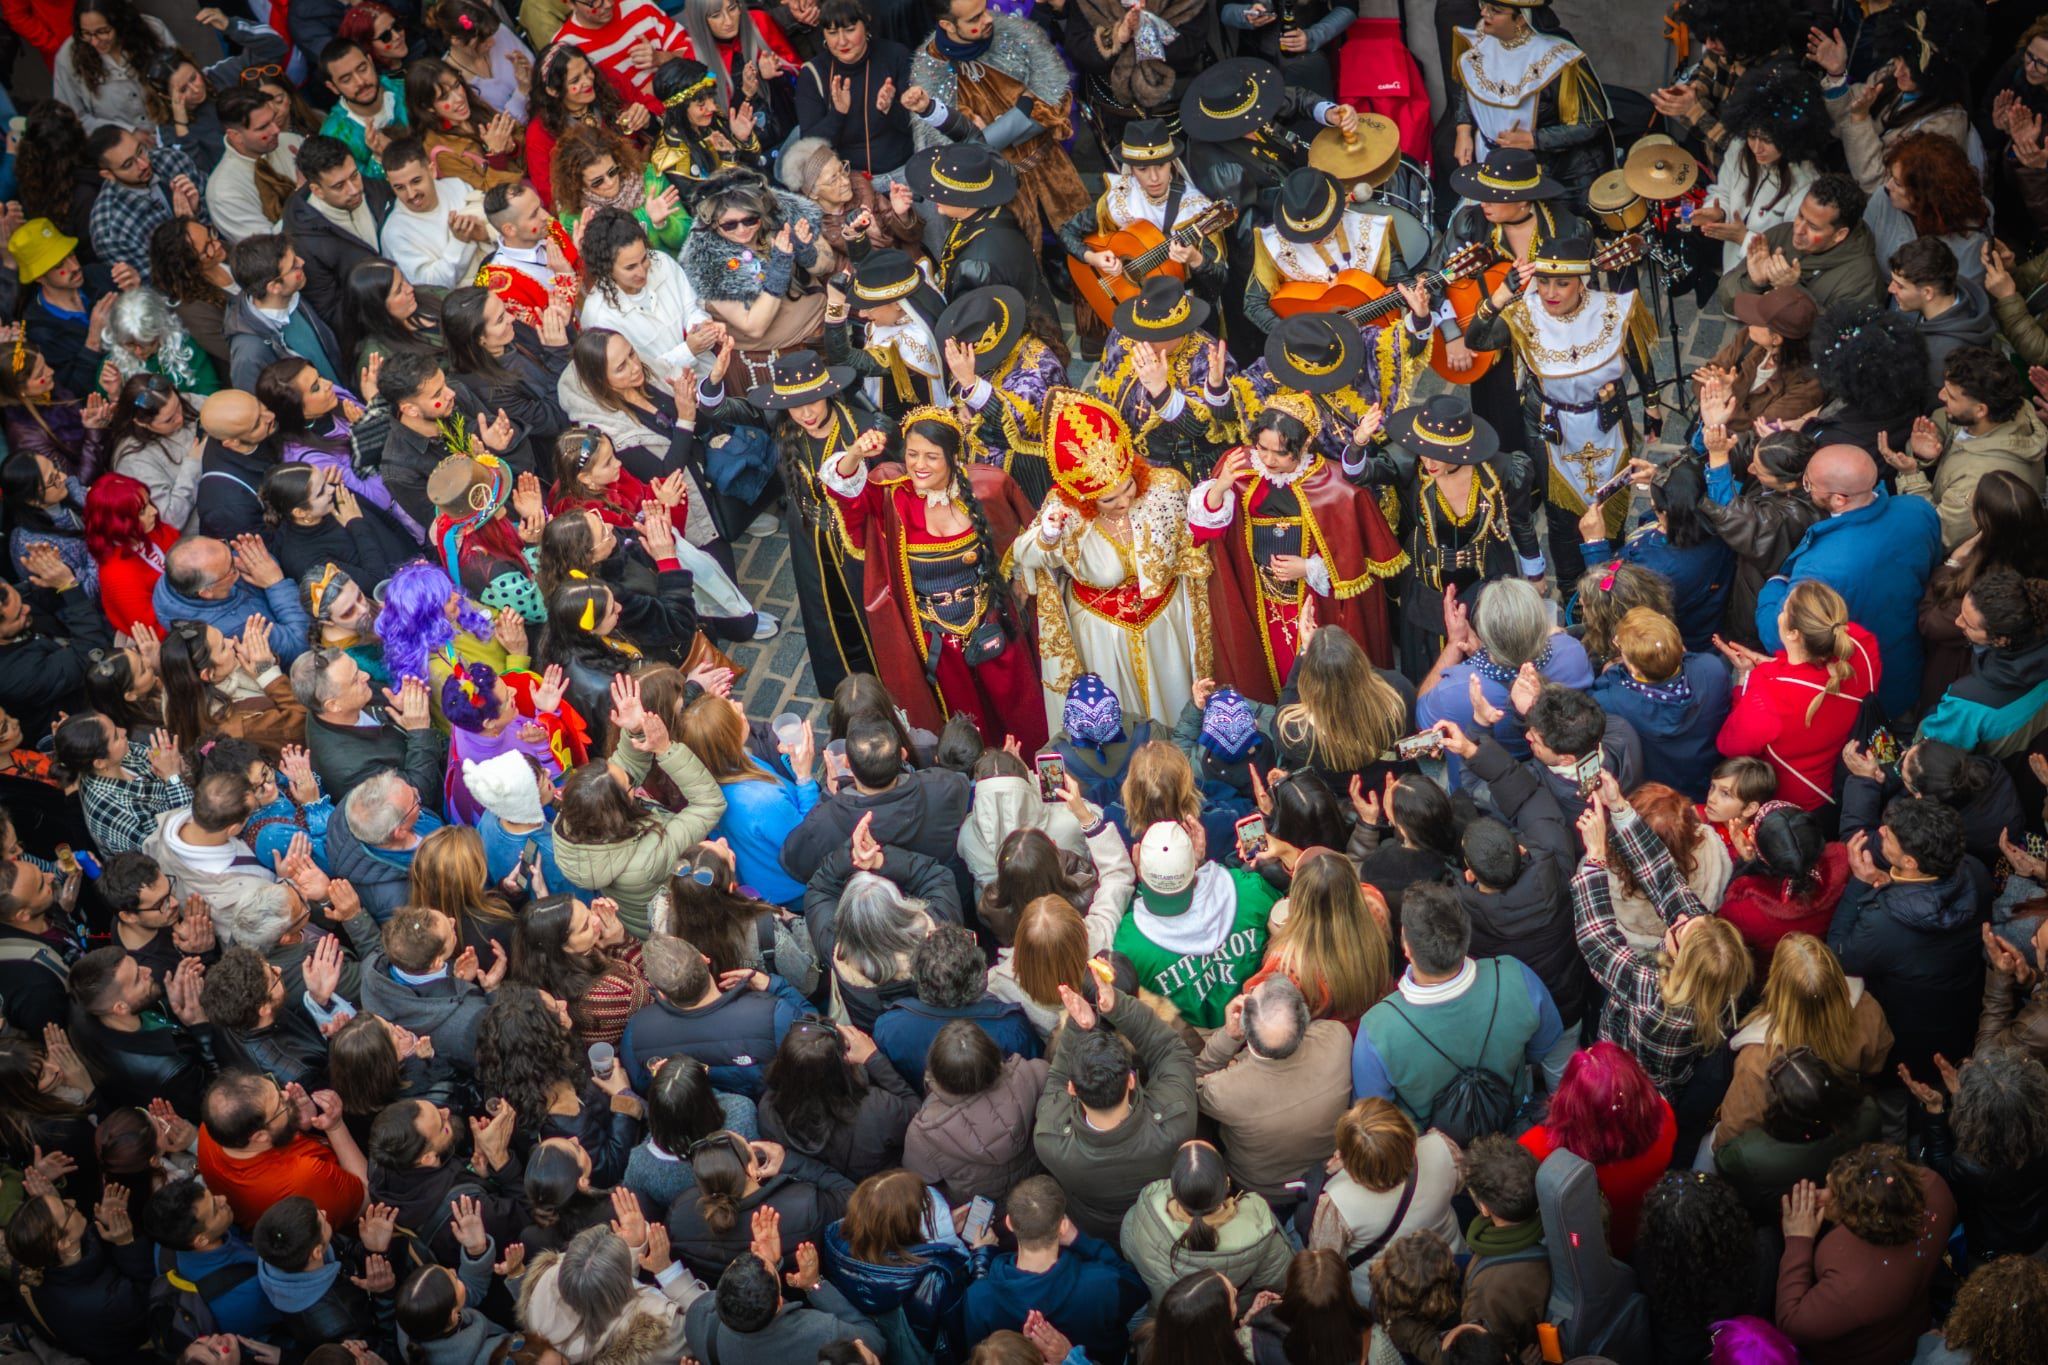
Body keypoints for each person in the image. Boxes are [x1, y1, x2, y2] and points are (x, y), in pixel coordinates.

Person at [819, 404, 1040, 751]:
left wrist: (1020, 578)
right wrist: (856, 453)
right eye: (912, 454)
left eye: (931, 457)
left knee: (1018, 710)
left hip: (992, 622)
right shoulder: (893, 494)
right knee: (963, 721)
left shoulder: (987, 488)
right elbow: (845, 493)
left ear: (953, 457)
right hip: (936, 640)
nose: (919, 465)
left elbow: (1026, 539)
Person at [1463, 235, 1656, 588]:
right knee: (1561, 516)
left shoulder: (1613, 309)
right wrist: (1500, 297)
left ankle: (1612, 576)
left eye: (1562, 283)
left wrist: (1653, 403)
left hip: (1607, 425)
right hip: (1550, 431)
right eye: (1544, 281)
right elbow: (1476, 340)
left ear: (1581, 283)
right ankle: (1570, 587)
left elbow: (1637, 355)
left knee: (1611, 503)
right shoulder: (1524, 315)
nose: (1551, 292)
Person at [1012, 387, 1209, 730]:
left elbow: (1197, 542)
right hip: (1103, 639)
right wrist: (1048, 535)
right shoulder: (1064, 513)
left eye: (1128, 487)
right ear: (1084, 500)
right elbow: (1024, 553)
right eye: (1108, 500)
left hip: (1166, 626)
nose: (1123, 502)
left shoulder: (1165, 489)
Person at [1191, 393, 1406, 701]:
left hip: (1314, 603)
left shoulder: (1331, 484)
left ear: (1304, 445)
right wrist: (1222, 484)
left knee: (1314, 680)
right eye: (1261, 448)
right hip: (1258, 599)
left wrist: (1308, 567)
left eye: (1279, 453)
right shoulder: (1238, 466)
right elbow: (1203, 529)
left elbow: (1354, 560)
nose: (1267, 459)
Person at [1573, 775, 1753, 1099]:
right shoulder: (1716, 966)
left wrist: (1597, 857)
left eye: (1680, 929)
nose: (1681, 918)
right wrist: (1619, 806)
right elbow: (1665, 878)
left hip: (1634, 1084)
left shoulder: (1654, 995)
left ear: (1679, 961)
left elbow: (1597, 939)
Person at [1351, 882, 1566, 1133]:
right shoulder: (1516, 975)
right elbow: (1545, 1048)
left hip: (1430, 1154)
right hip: (1513, 1125)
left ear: (1406, 948)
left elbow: (1375, 1126)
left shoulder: (1376, 1029)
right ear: (1465, 936)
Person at [1754, 444, 1941, 720]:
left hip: (1853, 685)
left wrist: (1775, 585)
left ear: (1840, 499)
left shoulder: (1820, 568)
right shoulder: (1918, 510)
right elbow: (1932, 567)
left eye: (1810, 484)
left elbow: (1780, 638)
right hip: (1906, 664)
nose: (1807, 488)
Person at [909, 0, 1088, 262]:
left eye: (984, 10)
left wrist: (997, 132)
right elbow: (968, 147)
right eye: (974, 19)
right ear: (947, 25)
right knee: (1024, 263)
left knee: (1086, 244)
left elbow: (1056, 101)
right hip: (1000, 187)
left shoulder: (1017, 35)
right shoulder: (932, 71)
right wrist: (1024, 107)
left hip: (1052, 169)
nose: (988, 19)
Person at [1032, 974, 1197, 1243]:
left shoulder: (1050, 1140)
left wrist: (1078, 1025)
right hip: (1161, 1221)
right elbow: (1170, 1050)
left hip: (1097, 1229)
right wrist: (1118, 1006)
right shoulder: (1175, 1121)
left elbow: (1055, 1082)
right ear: (1132, 1080)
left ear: (1073, 1089)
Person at [1832, 793, 1986, 1081]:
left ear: (1910, 861)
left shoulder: (1886, 922)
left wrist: (1859, 883)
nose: (1880, 832)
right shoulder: (1974, 871)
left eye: (1888, 836)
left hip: (1909, 1031)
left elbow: (1840, 955)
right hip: (1961, 1010)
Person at [1774, 1142, 1957, 1364]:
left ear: (1861, 1217)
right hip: (1912, 1327)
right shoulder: (1933, 1186)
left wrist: (1798, 1241)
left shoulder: (1853, 1282)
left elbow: (1791, 1323)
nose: (1823, 1194)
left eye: (1836, 1195)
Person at [1193, 973, 1352, 1203]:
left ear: (1245, 1028)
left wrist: (1229, 1037)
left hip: (1260, 1194)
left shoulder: (1222, 1090)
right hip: (1327, 1178)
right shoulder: (1337, 1038)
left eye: (1252, 992)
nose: (1252, 987)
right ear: (1304, 1016)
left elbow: (1188, 1082)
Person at [1450, 0, 1611, 204]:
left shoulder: (1559, 58)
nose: (1483, 13)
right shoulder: (1481, 39)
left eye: (1495, 11)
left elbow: (1591, 123)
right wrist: (1463, 130)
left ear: (1521, 19)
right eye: (1484, 4)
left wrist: (1534, 139)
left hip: (1557, 176)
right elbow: (1473, 86)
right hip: (1492, 162)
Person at [619, 932, 809, 1097]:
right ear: (704, 959)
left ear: (660, 992)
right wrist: (774, 985)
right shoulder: (773, 1013)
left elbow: (644, 1087)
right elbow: (818, 1036)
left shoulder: (636, 1032)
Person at [682, 1210, 886, 1362]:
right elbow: (876, 1342)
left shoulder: (697, 1319)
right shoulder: (822, 1333)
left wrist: (773, 1263)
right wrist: (814, 1284)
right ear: (779, 1303)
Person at [1120, 1137, 1293, 1307]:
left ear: (1174, 1187)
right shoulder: (1262, 1232)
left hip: (1171, 1314)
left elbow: (1133, 1266)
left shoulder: (1139, 1220)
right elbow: (1283, 1283)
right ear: (1226, 1182)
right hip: (1232, 1314)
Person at [1693, 62, 1830, 271]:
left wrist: (1743, 238)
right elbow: (1722, 190)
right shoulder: (1739, 148)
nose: (1757, 148)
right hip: (1731, 274)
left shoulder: (1806, 181)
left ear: (1789, 136)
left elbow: (1795, 250)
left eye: (1767, 139)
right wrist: (1716, 211)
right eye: (1751, 136)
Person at [1586, 607, 1732, 801]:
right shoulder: (1712, 669)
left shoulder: (1610, 701)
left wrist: (1612, 672)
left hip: (1655, 796)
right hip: (1703, 782)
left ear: (1635, 668)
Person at [679, 174, 833, 355]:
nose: (742, 230)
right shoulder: (708, 264)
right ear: (714, 224)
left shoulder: (781, 219)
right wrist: (779, 269)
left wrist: (805, 252)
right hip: (786, 357)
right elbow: (754, 326)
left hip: (827, 327)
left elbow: (828, 265)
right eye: (730, 225)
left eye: (749, 220)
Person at [197, 1069, 368, 1232]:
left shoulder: (212, 1130)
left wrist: (298, 1124)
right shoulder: (303, 1177)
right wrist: (335, 1127)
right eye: (280, 1105)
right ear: (260, 1136)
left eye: (273, 1084)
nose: (287, 1095)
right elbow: (368, 1196)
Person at [1715, 172, 1882, 314]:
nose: (1798, 229)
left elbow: (1835, 341)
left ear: (1840, 235)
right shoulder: (1782, 233)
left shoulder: (1862, 279)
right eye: (1800, 215)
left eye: (1813, 227)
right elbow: (1728, 302)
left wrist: (1794, 292)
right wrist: (1752, 282)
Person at [1716, 811, 1853, 977]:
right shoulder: (1844, 864)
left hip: (1775, 981)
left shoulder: (1743, 909)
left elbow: (1726, 946)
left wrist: (1744, 863)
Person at [525, 42, 653, 213]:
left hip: (649, 180)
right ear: (553, 91)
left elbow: (655, 108)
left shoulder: (610, 80)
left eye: (587, 70)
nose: (587, 81)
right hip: (598, 213)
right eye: (575, 80)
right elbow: (553, 197)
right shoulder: (540, 134)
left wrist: (647, 119)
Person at [404, 57, 525, 195]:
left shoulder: (475, 108)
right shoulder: (441, 153)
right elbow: (486, 197)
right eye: (444, 97)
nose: (459, 98)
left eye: (456, 86)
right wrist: (497, 156)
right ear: (428, 107)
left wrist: (512, 148)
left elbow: (521, 137)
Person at [204, 85, 307, 246]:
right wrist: (303, 194)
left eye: (273, 119)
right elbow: (269, 247)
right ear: (235, 136)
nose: (276, 129)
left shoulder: (290, 142)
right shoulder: (224, 192)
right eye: (263, 127)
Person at [553, 0, 696, 115]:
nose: (608, 4)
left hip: (694, 99)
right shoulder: (566, 48)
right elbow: (589, 110)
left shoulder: (639, 5)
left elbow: (698, 51)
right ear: (570, 4)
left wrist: (663, 58)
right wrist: (641, 98)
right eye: (594, 2)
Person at [315, 37, 408, 180]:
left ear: (370, 62)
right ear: (333, 87)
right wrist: (378, 158)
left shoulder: (406, 89)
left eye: (362, 69)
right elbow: (361, 191)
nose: (360, 82)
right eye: (346, 79)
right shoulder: (334, 137)